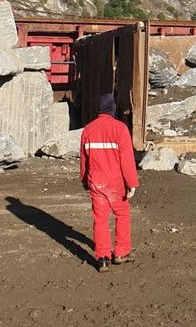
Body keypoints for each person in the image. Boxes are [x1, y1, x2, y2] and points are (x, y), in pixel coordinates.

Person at [79, 93, 139, 272]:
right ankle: (121, 253)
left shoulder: (88, 130)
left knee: (100, 219)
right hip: (116, 182)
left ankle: (103, 258)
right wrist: (132, 183)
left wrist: (84, 179)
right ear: (113, 109)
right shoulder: (119, 129)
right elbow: (126, 160)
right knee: (122, 215)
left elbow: (84, 160)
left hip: (96, 182)